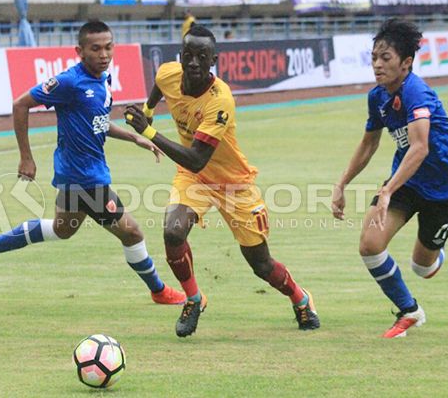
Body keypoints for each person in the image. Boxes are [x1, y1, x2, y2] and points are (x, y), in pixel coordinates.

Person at [0, 20, 186, 306]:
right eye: (95, 49)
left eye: (108, 47)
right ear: (80, 51)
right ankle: (158, 290)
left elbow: (97, 123)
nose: (104, 54)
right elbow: (20, 104)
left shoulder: (102, 80)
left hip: (80, 174)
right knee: (132, 233)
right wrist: (26, 156)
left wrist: (134, 139)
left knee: (63, 229)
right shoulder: (69, 82)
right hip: (85, 178)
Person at [124, 24, 319, 337]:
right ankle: (194, 299)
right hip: (194, 178)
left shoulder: (220, 100)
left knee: (261, 264)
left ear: (213, 60)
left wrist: (147, 130)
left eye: (203, 57)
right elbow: (160, 87)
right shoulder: (167, 73)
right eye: (189, 55)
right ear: (181, 55)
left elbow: (197, 157)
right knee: (173, 233)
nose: (194, 63)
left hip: (234, 184)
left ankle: (300, 298)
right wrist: (147, 110)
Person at [331, 19, 448, 338]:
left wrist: (387, 190)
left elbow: (419, 148)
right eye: (374, 57)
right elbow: (369, 142)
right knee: (370, 244)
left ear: (406, 63)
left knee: (423, 268)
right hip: (405, 184)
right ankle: (410, 311)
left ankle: (434, 250)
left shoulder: (417, 93)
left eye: (386, 58)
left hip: (444, 191)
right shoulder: (377, 96)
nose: (377, 64)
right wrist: (342, 183)